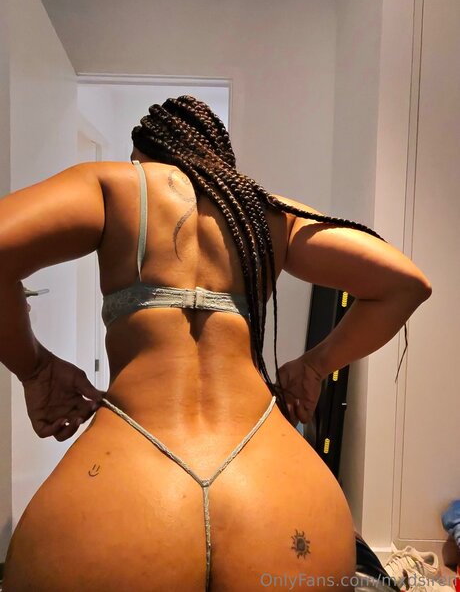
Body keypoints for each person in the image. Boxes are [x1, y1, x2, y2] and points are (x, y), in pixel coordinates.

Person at [0, 96, 431, 591]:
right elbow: (405, 284)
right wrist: (315, 366)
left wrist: (35, 369)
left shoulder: (113, 185)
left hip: (128, 485)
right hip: (276, 493)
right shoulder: (267, 215)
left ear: (143, 154)